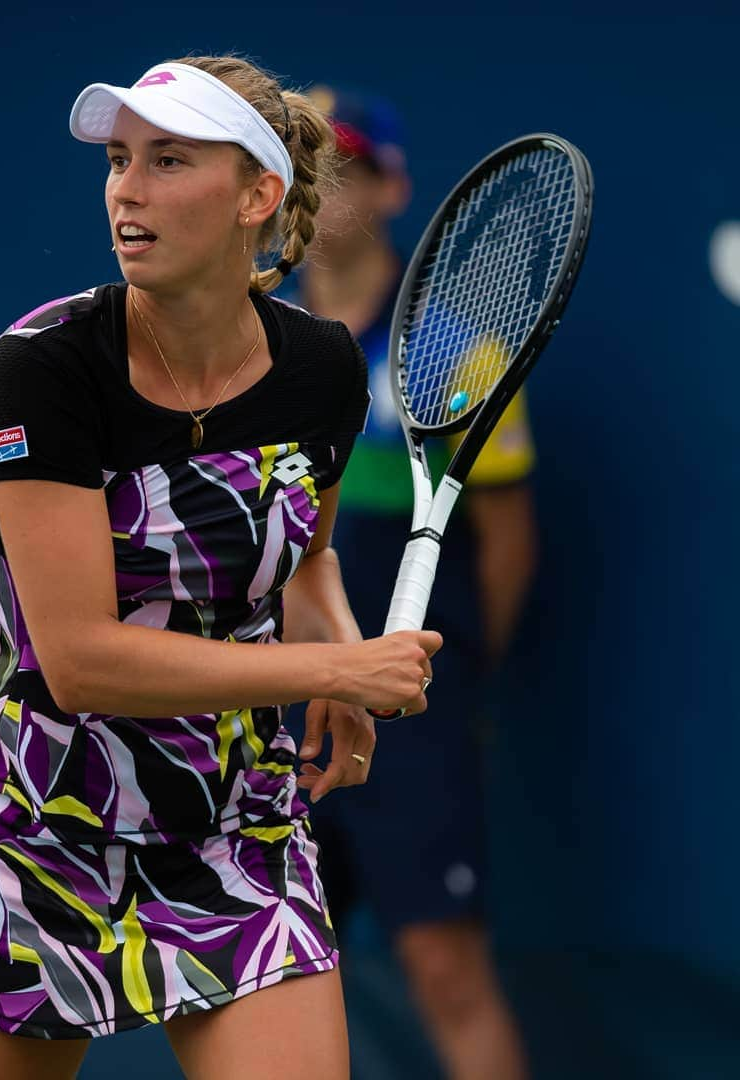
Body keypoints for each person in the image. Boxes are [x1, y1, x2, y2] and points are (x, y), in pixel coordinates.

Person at [0, 56, 442, 1080]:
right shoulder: (41, 367)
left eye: (169, 161)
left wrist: (345, 652)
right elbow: (84, 662)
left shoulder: (318, 368)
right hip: (42, 830)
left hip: (235, 831)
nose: (127, 189)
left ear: (257, 198)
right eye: (121, 160)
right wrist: (329, 674)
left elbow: (304, 561)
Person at [286, 88, 536, 1079]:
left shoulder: (447, 350)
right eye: (302, 158)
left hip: (409, 715)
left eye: (344, 160)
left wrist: (447, 681)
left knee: (443, 966)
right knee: (267, 981)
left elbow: (506, 544)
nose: (322, 181)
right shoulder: (245, 342)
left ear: (393, 188)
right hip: (270, 711)